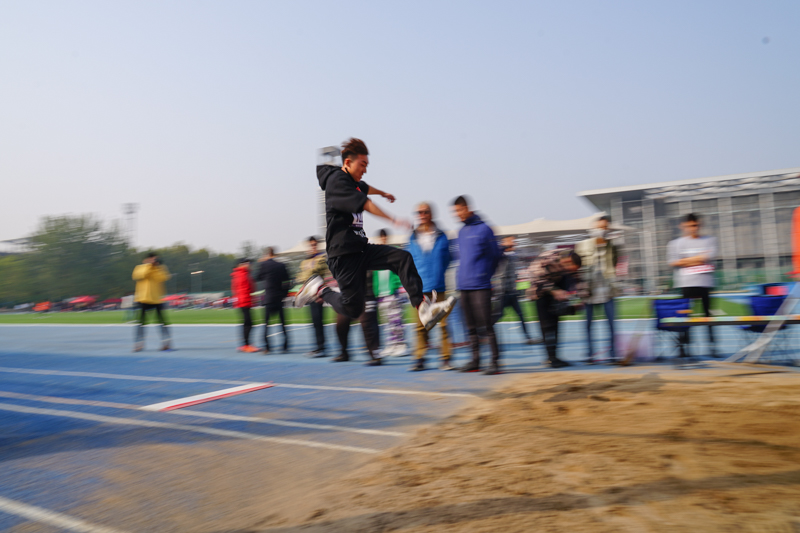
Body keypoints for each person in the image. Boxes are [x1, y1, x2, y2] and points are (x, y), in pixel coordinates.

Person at [296, 138, 454, 334]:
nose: (365, 169)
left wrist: (383, 193)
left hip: (361, 249)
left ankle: (423, 308)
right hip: (343, 255)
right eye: (362, 165)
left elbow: (364, 187)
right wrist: (393, 219)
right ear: (348, 162)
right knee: (353, 309)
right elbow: (365, 203)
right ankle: (320, 289)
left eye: (367, 165)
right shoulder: (337, 182)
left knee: (402, 258)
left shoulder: (352, 182)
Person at [453, 196, 503, 375]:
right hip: (464, 286)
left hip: (481, 286)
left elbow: (496, 256)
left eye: (460, 210)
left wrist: (485, 275)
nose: (457, 214)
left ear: (468, 208)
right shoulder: (460, 232)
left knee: (487, 326)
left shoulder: (485, 229)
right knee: (470, 327)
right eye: (455, 212)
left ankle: (495, 362)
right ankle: (475, 361)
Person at [407, 202, 454, 371]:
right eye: (419, 212)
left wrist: (438, 273)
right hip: (419, 289)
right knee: (420, 326)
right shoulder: (412, 238)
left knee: (443, 325)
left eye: (425, 212)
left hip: (438, 287)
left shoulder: (442, 236)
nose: (422, 215)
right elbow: (409, 261)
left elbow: (448, 259)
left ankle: (446, 358)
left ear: (431, 213)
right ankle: (420, 358)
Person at [667, 213, 718, 358]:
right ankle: (684, 348)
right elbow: (673, 262)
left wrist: (686, 260)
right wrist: (698, 259)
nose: (693, 228)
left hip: (705, 283)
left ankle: (712, 348)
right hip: (685, 284)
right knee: (685, 318)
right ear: (683, 226)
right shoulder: (675, 244)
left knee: (708, 317)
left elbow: (707, 257)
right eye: (690, 225)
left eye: (696, 225)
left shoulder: (710, 240)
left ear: (700, 225)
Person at [575, 215, 620, 363]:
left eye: (605, 227)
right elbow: (578, 267)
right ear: (593, 228)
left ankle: (613, 354)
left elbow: (614, 264)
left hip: (607, 290)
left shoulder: (612, 246)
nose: (602, 230)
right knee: (588, 325)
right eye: (599, 227)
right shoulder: (582, 245)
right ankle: (589, 354)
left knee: (612, 324)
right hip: (589, 290)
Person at [528, 250, 583, 368]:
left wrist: (578, 299)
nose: (572, 272)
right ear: (568, 261)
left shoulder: (568, 267)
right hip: (541, 295)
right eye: (572, 269)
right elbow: (536, 277)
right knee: (547, 327)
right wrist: (553, 290)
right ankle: (552, 359)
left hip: (555, 297)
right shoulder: (548, 259)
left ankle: (553, 357)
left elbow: (575, 281)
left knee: (556, 326)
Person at [495, 236, 539, 345]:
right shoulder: (500, 256)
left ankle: (528, 338)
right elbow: (498, 253)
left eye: (514, 241)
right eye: (511, 241)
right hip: (503, 293)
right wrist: (505, 245)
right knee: (497, 315)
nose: (514, 243)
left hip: (512, 292)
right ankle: (484, 334)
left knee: (521, 315)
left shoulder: (513, 256)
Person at [334, 271, 382, 366]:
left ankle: (376, 356)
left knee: (368, 325)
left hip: (367, 294)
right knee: (341, 324)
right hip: (349, 296)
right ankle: (344, 353)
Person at [373, 229, 408, 357]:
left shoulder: (392, 252)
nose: (383, 239)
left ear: (387, 238)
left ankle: (401, 344)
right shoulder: (375, 255)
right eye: (381, 238)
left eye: (384, 237)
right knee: (386, 321)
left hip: (392, 291)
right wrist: (376, 291)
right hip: (381, 293)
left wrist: (399, 286)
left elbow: (399, 270)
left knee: (396, 319)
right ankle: (391, 344)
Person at [297, 236, 330, 358]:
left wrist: (322, 294)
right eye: (311, 245)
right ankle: (318, 347)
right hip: (309, 295)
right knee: (314, 322)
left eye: (314, 245)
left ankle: (321, 348)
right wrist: (302, 290)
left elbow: (321, 274)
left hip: (318, 294)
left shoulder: (321, 258)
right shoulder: (305, 261)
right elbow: (303, 277)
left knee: (319, 321)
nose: (313, 247)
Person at [131, 253, 173, 352]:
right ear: (145, 260)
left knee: (162, 323)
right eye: (151, 259)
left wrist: (156, 267)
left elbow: (163, 278)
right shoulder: (139, 268)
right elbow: (140, 276)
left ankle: (166, 343)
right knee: (141, 323)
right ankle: (138, 345)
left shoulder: (160, 268)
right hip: (143, 299)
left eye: (155, 260)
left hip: (156, 299)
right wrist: (149, 266)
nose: (153, 261)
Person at [256, 247, 291, 353]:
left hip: (269, 298)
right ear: (274, 254)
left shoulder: (264, 265)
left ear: (267, 254)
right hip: (279, 297)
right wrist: (284, 294)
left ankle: (267, 347)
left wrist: (262, 263)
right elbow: (287, 281)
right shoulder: (281, 265)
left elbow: (258, 277)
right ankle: (285, 346)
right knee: (283, 324)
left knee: (266, 324)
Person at [231, 258, 259, 353]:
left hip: (244, 301)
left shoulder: (242, 274)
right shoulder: (242, 274)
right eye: (247, 263)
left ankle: (246, 344)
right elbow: (249, 288)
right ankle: (246, 345)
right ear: (241, 264)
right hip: (244, 301)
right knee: (248, 324)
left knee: (247, 323)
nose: (249, 265)